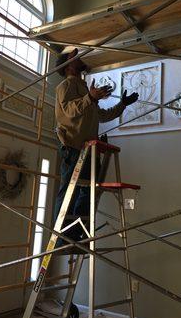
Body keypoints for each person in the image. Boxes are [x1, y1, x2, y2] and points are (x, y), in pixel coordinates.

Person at [53, 48, 138, 242]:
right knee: (69, 192)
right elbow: (68, 111)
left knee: (87, 192)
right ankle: (61, 237)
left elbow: (102, 115)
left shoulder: (84, 89)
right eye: (74, 56)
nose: (79, 58)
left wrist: (123, 104)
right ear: (67, 64)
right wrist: (90, 97)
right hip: (74, 148)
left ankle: (77, 232)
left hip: (90, 150)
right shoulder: (64, 86)